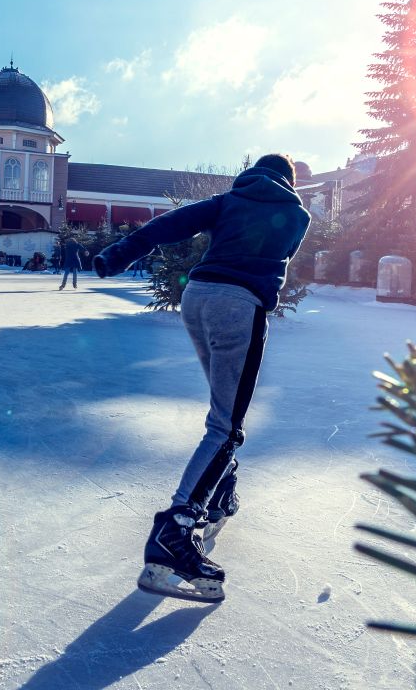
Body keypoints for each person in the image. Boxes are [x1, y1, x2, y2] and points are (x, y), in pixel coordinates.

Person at [93, 154, 310, 601]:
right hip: (238, 303)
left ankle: (219, 491)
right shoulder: (297, 214)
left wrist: (119, 254)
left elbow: (168, 225)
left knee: (223, 410)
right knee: (226, 425)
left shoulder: (228, 200)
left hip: (197, 297)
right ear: (289, 181)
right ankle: (176, 530)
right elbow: (281, 254)